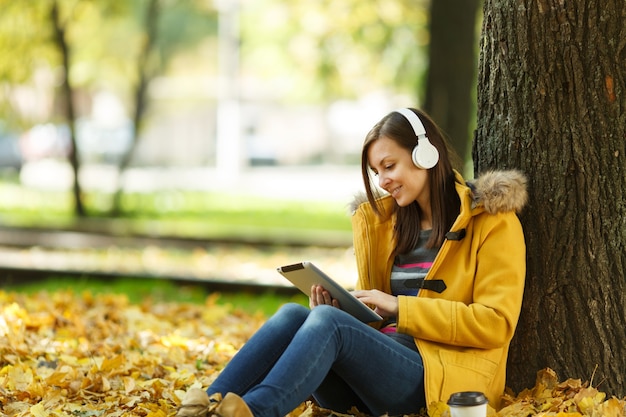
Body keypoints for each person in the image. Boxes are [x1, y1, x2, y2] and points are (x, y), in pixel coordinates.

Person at [177, 108, 527, 417]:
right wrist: (340, 310)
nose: (382, 180)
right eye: (377, 171)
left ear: (425, 154)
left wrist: (399, 307)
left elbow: (495, 323)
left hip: (440, 381)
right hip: (377, 375)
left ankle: (254, 412)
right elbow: (370, 326)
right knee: (296, 315)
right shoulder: (385, 225)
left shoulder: (491, 221)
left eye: (389, 166)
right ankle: (205, 405)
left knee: (329, 323)